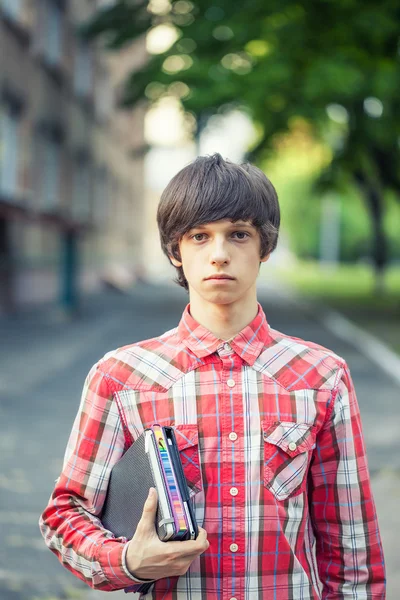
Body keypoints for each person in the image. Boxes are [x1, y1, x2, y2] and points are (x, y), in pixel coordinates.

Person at [39, 153, 386, 599]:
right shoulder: (119, 377)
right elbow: (66, 515)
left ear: (265, 246)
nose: (219, 254)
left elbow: (350, 544)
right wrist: (127, 561)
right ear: (174, 251)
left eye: (238, 234)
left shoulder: (322, 376)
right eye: (199, 236)